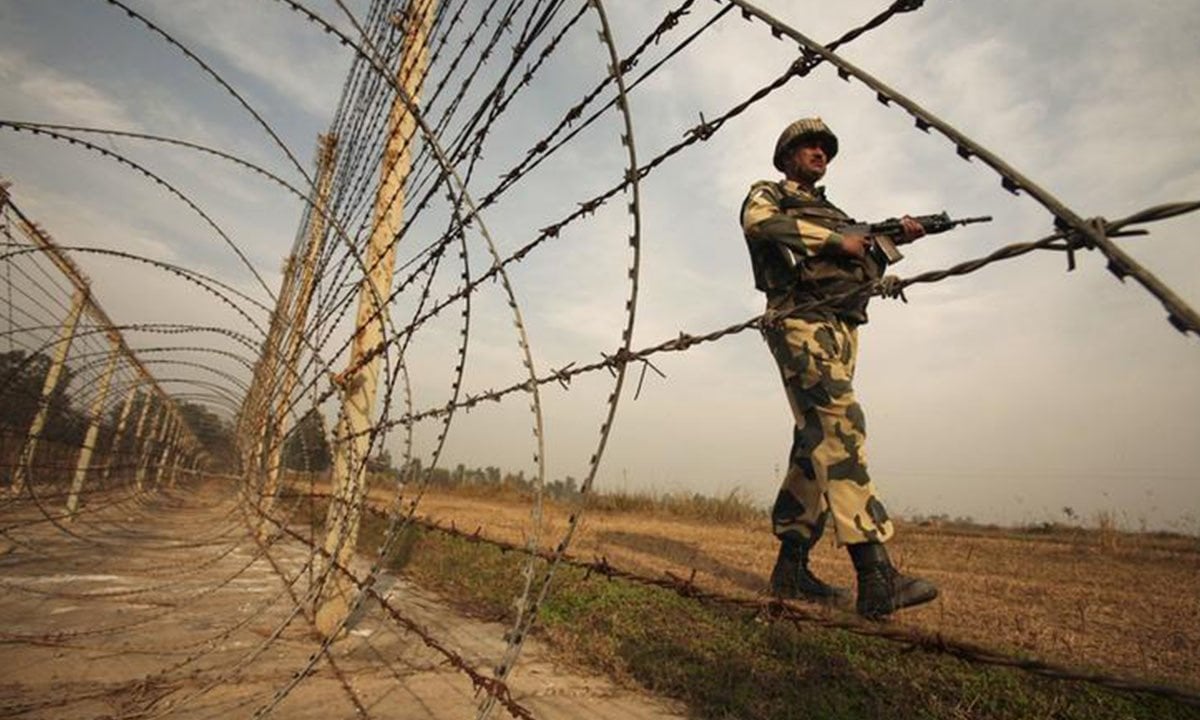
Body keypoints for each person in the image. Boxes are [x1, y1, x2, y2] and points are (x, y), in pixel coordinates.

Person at [739, 116, 938, 619]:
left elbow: (855, 264)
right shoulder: (770, 193)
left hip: (843, 325)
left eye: (824, 147)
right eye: (807, 146)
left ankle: (791, 568)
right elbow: (758, 223)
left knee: (816, 442)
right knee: (842, 426)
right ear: (787, 157)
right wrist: (837, 241)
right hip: (797, 318)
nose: (818, 152)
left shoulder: (836, 212)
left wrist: (890, 244)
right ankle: (876, 575)